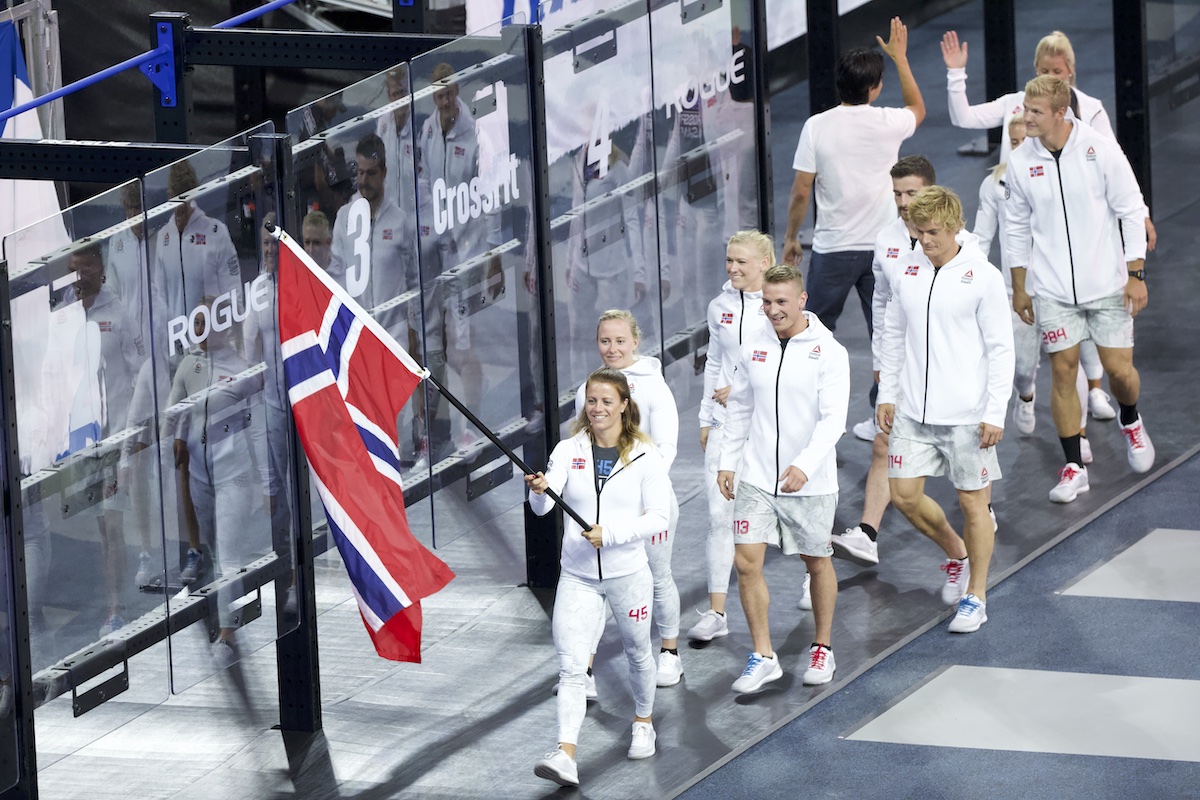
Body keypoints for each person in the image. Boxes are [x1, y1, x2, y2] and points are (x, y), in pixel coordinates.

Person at [1005, 76, 1154, 503]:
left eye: (1034, 112)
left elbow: (1130, 209)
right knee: (1064, 369)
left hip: (1108, 285)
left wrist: (1135, 274)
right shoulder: (1021, 161)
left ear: (1059, 112)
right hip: (1052, 289)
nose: (1025, 118)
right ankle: (1073, 465)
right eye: (1024, 109)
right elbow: (1015, 228)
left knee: (1120, 372)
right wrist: (1020, 288)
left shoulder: (1099, 148)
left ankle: (1130, 420)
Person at [876, 186, 1014, 633]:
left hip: (968, 416)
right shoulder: (906, 269)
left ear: (956, 227)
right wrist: (887, 395)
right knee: (903, 496)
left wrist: (995, 411)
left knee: (973, 502)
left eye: (933, 231)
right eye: (918, 231)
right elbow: (893, 335)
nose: (924, 240)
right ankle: (957, 553)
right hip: (913, 412)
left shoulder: (984, 276)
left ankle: (977, 595)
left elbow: (1001, 348)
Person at [527, 368, 671, 787]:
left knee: (637, 652)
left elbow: (658, 517)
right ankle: (565, 753)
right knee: (572, 668)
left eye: (607, 401)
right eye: (592, 400)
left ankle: (643, 720)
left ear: (624, 405)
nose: (598, 408)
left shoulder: (646, 456)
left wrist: (612, 535)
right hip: (577, 576)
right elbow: (544, 506)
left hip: (628, 573)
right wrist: (538, 492)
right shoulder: (567, 449)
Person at [718, 264, 850, 692]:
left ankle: (823, 647)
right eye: (767, 301)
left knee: (816, 561)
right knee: (745, 561)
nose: (772, 310)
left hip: (808, 482)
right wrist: (727, 461)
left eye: (781, 302)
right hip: (757, 476)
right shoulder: (752, 346)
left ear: (801, 301)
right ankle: (763, 655)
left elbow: (834, 421)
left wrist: (804, 464)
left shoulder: (829, 352)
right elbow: (739, 407)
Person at [782, 16, 924, 341]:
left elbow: (801, 191)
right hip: (884, 246)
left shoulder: (816, 126)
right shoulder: (889, 122)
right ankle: (885, 394)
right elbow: (917, 106)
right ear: (874, 88)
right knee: (889, 336)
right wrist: (899, 57)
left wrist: (791, 236)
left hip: (833, 248)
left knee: (810, 335)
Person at [973, 117, 1097, 465]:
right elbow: (981, 241)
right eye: (1012, 142)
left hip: (1063, 290)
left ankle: (1080, 433)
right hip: (1017, 295)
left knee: (1069, 365)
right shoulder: (994, 184)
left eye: (1024, 141)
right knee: (1023, 367)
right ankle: (1025, 396)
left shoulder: (1063, 177)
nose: (1018, 149)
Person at [832, 155, 935, 568]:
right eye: (897, 193)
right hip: (900, 363)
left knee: (962, 455)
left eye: (912, 192)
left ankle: (982, 513)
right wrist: (881, 359)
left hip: (948, 365)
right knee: (882, 443)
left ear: (930, 189)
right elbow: (880, 299)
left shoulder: (962, 239)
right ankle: (868, 535)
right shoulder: (887, 238)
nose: (904, 201)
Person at [574, 311, 682, 686]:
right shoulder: (589, 389)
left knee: (657, 576)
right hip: (604, 511)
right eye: (605, 341)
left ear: (635, 342)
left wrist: (638, 487)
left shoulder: (654, 388)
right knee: (595, 585)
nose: (612, 348)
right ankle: (584, 670)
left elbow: (666, 447)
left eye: (620, 341)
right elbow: (581, 444)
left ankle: (669, 653)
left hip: (650, 507)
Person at [687, 231, 771, 643]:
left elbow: (785, 368)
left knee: (782, 510)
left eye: (742, 261)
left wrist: (740, 390)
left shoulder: (779, 306)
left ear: (763, 263)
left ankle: (814, 574)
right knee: (720, 516)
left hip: (770, 423)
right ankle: (717, 612)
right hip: (724, 424)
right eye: (729, 261)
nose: (733, 268)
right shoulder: (719, 306)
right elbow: (715, 362)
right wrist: (706, 416)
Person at [152, 162, 242, 329]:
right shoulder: (163, 237)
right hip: (178, 343)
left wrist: (233, 333)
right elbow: (159, 296)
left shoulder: (215, 232)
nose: (179, 210)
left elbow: (233, 289)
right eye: (175, 202)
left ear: (192, 197)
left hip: (212, 339)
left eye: (183, 204)